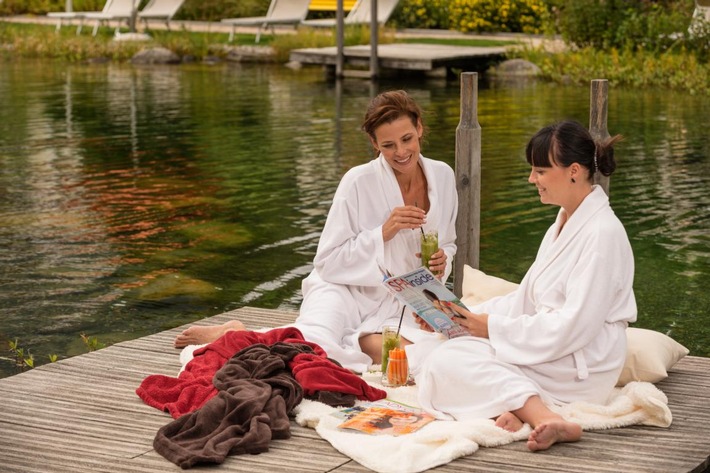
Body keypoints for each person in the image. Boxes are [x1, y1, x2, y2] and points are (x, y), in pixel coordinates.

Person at [174, 90, 459, 374]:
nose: (400, 152)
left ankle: (243, 332)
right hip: (343, 288)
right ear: (374, 144)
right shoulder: (358, 182)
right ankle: (232, 335)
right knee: (311, 348)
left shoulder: (443, 175)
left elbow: (447, 242)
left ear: (419, 128)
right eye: (388, 145)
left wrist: (442, 259)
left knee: (423, 357)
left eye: (407, 139)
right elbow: (328, 261)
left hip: (403, 299)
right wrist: (382, 233)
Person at [408, 119, 636, 451]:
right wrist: (456, 315)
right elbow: (524, 301)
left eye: (540, 171)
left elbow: (574, 326)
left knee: (449, 362)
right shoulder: (563, 222)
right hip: (548, 345)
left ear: (574, 171)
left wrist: (489, 328)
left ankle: (544, 417)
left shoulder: (603, 234)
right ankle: (512, 407)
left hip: (578, 359)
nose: (532, 179)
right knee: (433, 352)